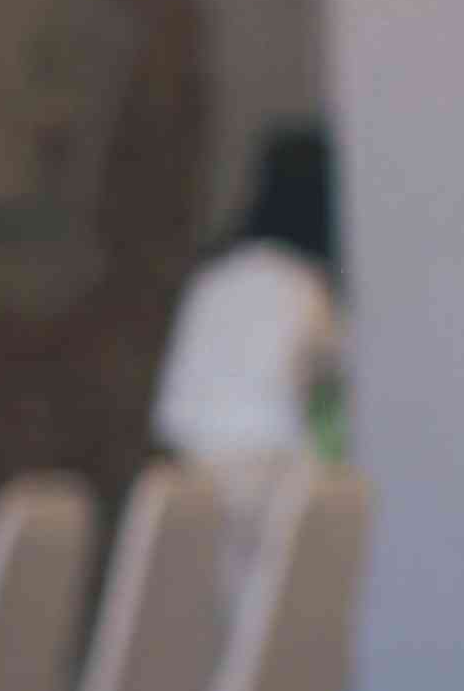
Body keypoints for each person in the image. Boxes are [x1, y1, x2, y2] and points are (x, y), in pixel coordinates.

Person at [148, 124, 345, 477]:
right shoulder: (307, 288)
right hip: (284, 480)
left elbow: (175, 412)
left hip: (196, 478)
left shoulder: (210, 280)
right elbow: (333, 399)